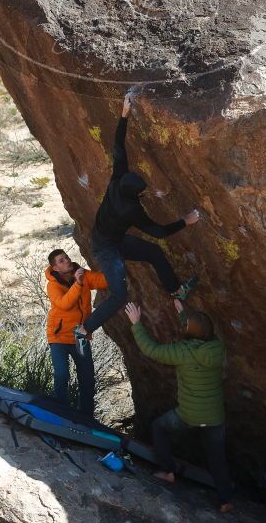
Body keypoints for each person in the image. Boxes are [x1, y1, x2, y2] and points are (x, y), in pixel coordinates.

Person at [75, 92, 200, 354]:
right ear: (135, 196)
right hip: (106, 249)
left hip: (113, 239)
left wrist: (124, 114)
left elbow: (118, 146)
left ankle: (175, 291)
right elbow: (159, 231)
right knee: (120, 295)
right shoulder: (131, 210)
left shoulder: (117, 178)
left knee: (153, 253)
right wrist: (185, 222)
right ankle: (85, 329)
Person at [125, 298, 233, 514]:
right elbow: (199, 332)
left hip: (188, 415)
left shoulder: (182, 352)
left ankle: (167, 471)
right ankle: (225, 500)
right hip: (214, 417)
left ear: (189, 332)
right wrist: (183, 313)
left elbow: (151, 349)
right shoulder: (218, 347)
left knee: (159, 427)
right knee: (217, 458)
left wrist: (136, 323)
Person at [45, 249, 108, 416]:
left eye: (66, 257)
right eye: (61, 260)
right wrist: (78, 284)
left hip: (79, 336)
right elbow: (64, 304)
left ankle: (86, 417)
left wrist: (118, 268)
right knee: (62, 374)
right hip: (59, 337)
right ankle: (62, 412)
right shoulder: (53, 284)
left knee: (87, 378)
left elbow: (103, 281)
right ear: (55, 268)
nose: (66, 261)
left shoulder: (82, 274)